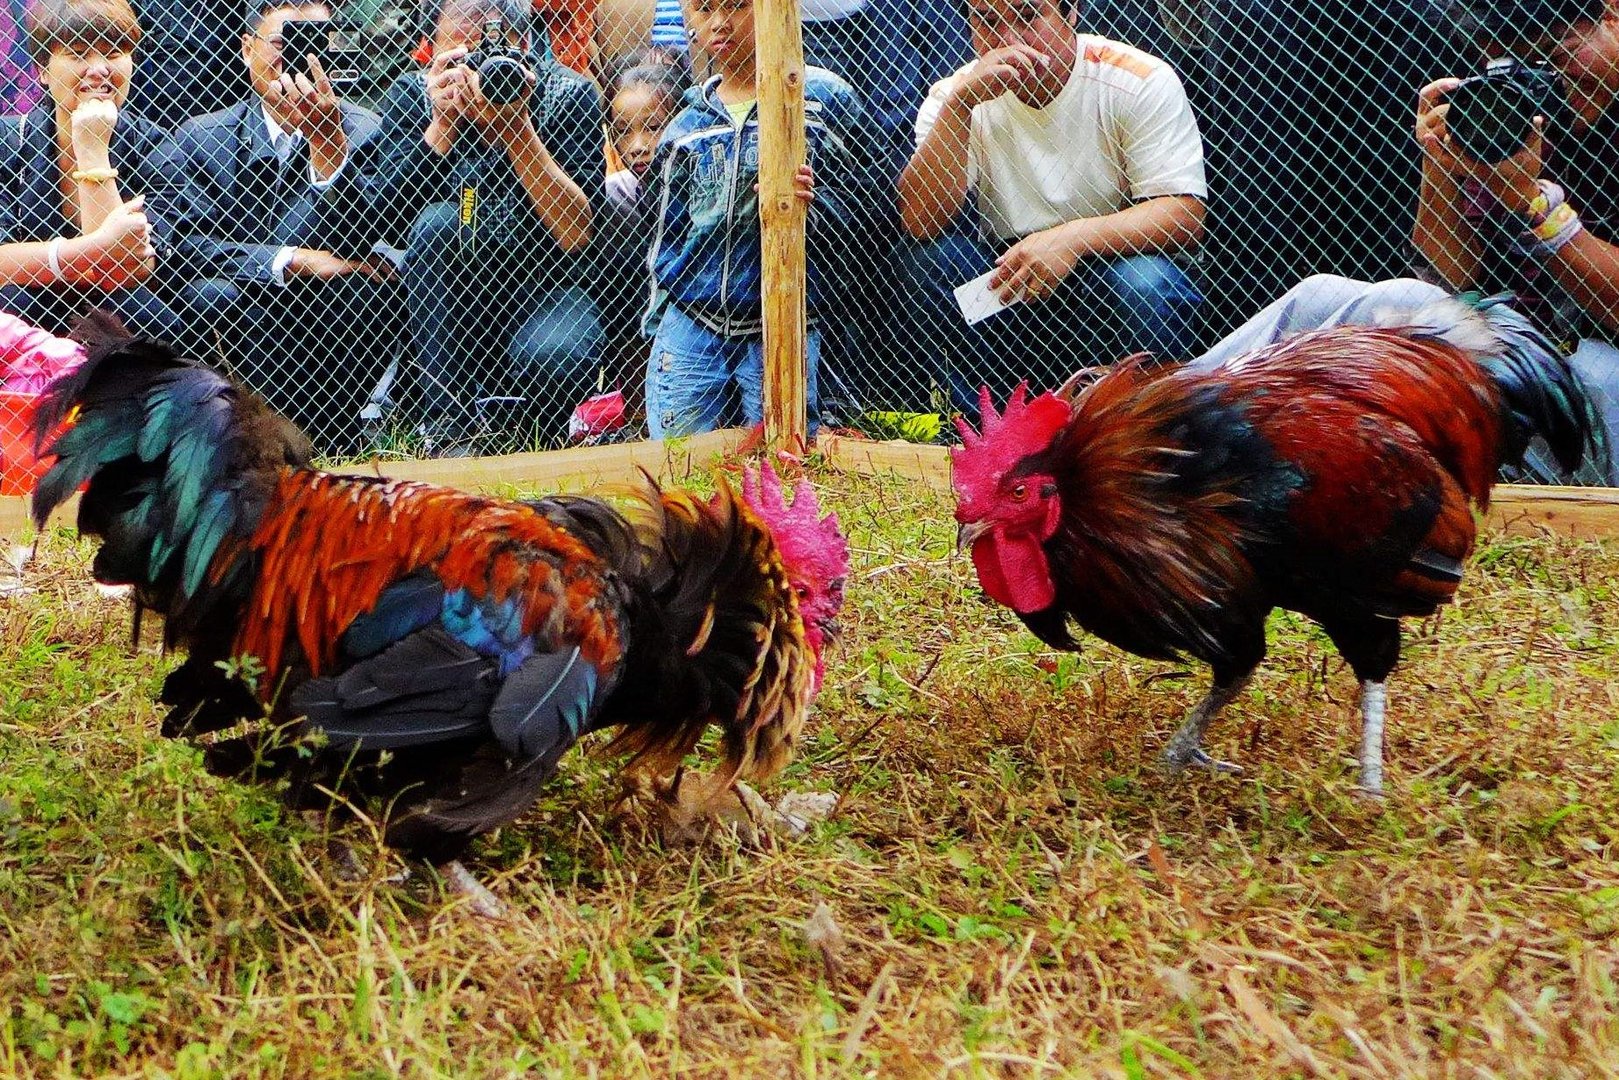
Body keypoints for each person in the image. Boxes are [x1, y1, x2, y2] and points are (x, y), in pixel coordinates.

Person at [895, 0, 1206, 414]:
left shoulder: (1137, 79)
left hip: (1107, 270)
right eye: (986, 21)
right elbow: (919, 221)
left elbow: (1182, 214)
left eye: (1027, 16)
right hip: (1010, 282)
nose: (1008, 41)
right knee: (932, 262)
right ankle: (993, 434)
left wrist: (1070, 240)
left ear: (1070, 11)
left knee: (1146, 283)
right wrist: (959, 109)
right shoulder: (956, 95)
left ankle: (1136, 437)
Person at [149, 0, 401, 454]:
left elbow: (377, 236)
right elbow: (177, 241)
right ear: (247, 49)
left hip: (328, 322)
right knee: (211, 293)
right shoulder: (200, 137)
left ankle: (331, 441)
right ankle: (238, 439)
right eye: (288, 43)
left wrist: (328, 145)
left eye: (317, 43)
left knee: (367, 288)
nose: (304, 59)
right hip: (243, 314)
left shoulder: (368, 130)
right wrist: (286, 260)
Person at [370, 0, 603, 453]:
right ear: (430, 54)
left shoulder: (566, 93)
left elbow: (575, 233)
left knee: (553, 357)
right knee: (439, 224)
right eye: (459, 60)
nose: (474, 76)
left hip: (542, 283)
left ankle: (536, 439)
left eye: (487, 56)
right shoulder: (409, 97)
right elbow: (384, 223)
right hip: (441, 300)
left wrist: (518, 131)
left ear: (524, 48)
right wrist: (440, 129)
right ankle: (447, 432)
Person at [1410, 0, 1618, 479]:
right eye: (1519, 65)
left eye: (1559, 54)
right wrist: (1440, 163)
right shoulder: (1510, 113)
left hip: (1600, 359)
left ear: (1611, 14)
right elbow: (1446, 276)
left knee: (1600, 371)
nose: (1552, 82)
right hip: (1515, 348)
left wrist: (1533, 205)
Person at [642, 0, 867, 438]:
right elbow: (663, 232)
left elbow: (864, 208)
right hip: (693, 315)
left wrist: (813, 203)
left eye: (737, 6)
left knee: (782, 456)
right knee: (679, 457)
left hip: (785, 316)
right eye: (704, 9)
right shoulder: (686, 124)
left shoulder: (822, 103)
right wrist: (660, 316)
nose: (720, 23)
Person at [0, 0, 181, 338]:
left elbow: (125, 269)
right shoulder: (7, 141)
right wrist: (91, 250)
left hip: (119, 310)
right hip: (28, 307)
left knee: (143, 312)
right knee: (11, 301)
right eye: (79, 54)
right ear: (42, 69)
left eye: (113, 52)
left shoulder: (156, 144)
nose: (98, 69)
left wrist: (92, 150)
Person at [589, 47, 683, 419]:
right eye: (624, 131)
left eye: (653, 126)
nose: (639, 145)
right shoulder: (620, 192)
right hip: (633, 302)